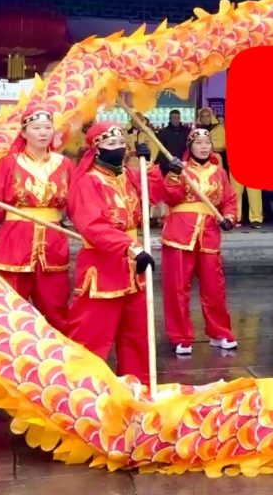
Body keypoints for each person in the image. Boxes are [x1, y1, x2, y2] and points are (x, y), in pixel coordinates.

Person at [66, 122, 172, 382]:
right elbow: (93, 226)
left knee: (137, 333)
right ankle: (82, 388)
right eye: (111, 144)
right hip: (103, 265)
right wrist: (130, 247)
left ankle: (138, 384)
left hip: (135, 266)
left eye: (122, 143)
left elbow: (156, 195)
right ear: (96, 148)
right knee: (92, 334)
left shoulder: (128, 175)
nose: (119, 148)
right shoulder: (88, 182)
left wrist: (150, 166)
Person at [0, 105, 74, 333]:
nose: (43, 132)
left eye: (47, 127)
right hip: (14, 242)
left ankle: (55, 352)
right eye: (36, 128)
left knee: (56, 310)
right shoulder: (9, 163)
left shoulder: (65, 164)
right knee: (6, 309)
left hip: (53, 244)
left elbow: (80, 204)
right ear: (23, 132)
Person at [161, 127, 238, 355]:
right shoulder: (180, 169)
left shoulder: (219, 172)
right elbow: (171, 197)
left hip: (209, 233)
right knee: (177, 288)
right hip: (179, 234)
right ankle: (180, 336)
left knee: (215, 287)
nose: (204, 147)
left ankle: (220, 332)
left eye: (207, 143)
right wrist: (173, 175)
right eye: (198, 143)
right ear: (190, 146)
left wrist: (229, 217)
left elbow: (229, 199)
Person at [156, 110, 189, 174]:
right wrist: (166, 165)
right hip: (168, 166)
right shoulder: (163, 132)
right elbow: (160, 151)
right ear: (170, 119)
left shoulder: (186, 131)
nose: (176, 120)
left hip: (184, 164)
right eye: (174, 118)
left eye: (177, 118)